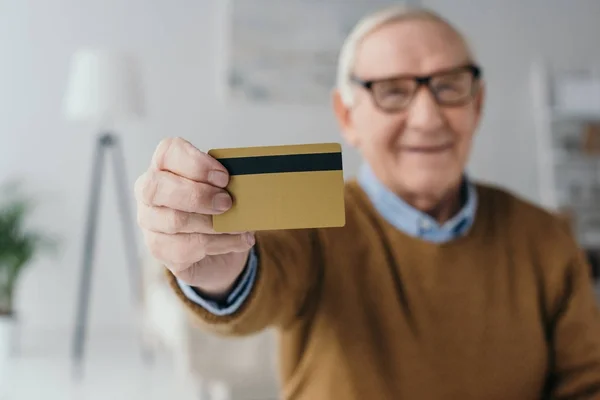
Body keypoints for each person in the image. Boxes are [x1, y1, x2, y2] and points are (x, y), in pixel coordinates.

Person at [134, 5, 600, 400]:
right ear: (347, 116)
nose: (427, 117)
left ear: (477, 104)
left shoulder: (545, 236)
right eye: (393, 91)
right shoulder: (311, 228)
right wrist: (218, 273)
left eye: (450, 86)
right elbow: (260, 279)